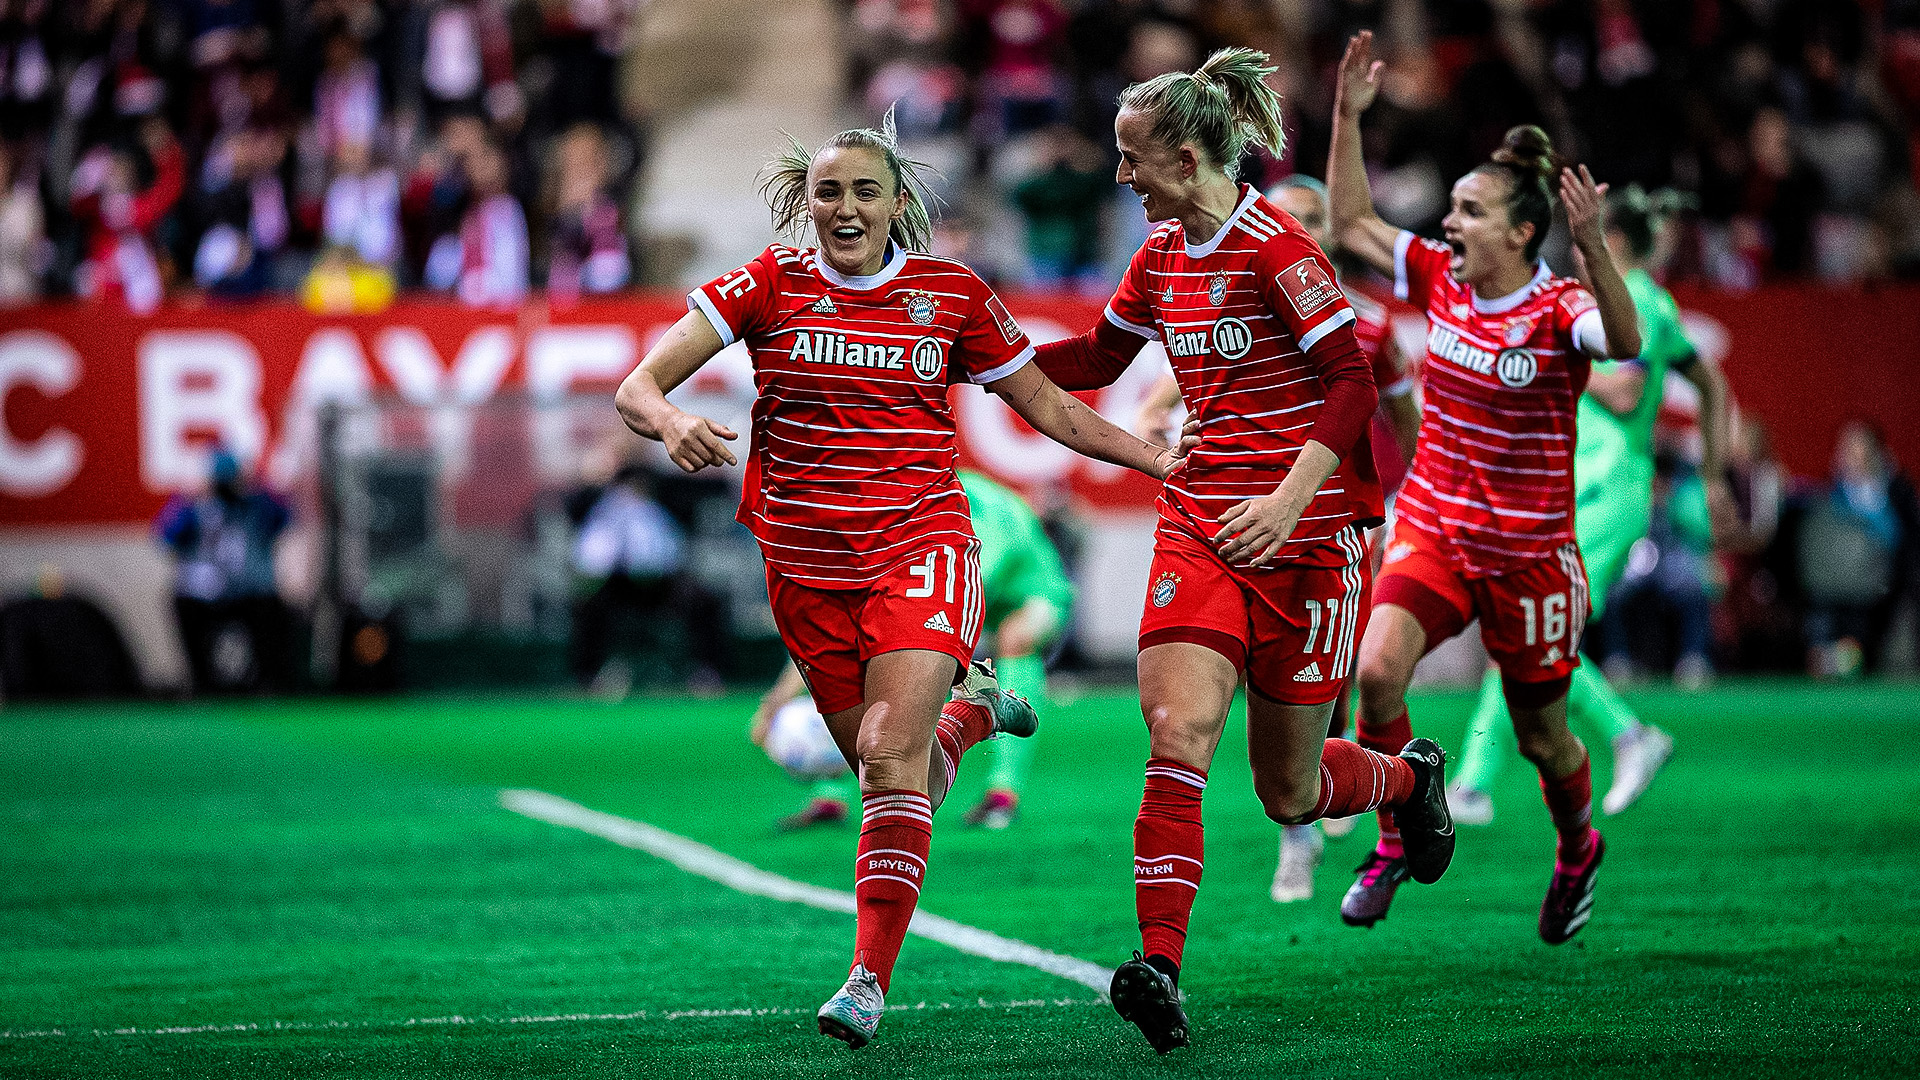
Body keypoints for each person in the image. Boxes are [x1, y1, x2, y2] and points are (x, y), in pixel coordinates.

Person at [613, 110, 1178, 1050]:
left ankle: (866, 981)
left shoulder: (950, 293)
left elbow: (1049, 407)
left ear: (896, 203)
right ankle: (972, 712)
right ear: (806, 202)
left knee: (883, 753)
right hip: (801, 567)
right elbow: (638, 386)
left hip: (920, 546)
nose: (844, 207)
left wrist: (1157, 460)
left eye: (864, 190)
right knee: (897, 769)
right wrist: (669, 423)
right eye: (827, 191)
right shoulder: (765, 285)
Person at [1030, 48, 1455, 1054]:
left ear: (1185, 157)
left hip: (1309, 538)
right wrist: (977, 352)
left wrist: (1290, 495)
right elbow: (1097, 356)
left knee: (1290, 791)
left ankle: (1407, 782)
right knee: (1177, 733)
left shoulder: (1278, 250)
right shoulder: (1163, 254)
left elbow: (1351, 386)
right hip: (1202, 521)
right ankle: (1160, 968)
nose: (1122, 178)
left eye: (1135, 160)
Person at [1327, 32, 1642, 944]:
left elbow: (1621, 344)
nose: (1448, 224)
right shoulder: (1439, 277)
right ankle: (1397, 836)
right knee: (1378, 671)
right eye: (1452, 209)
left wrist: (1595, 251)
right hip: (1436, 526)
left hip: (1532, 558)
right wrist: (1348, 119)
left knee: (1545, 742)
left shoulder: (1559, 309)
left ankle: (1578, 848)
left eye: (1468, 211)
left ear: (1521, 232)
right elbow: (1351, 223)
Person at [1133, 172, 1422, 906]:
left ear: (1327, 234)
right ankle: (1297, 841)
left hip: (1332, 534)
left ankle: (1370, 800)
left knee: (1327, 703)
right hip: (1234, 528)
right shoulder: (1234, 293)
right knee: (1198, 726)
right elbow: (1154, 407)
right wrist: (1171, 435)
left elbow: (1399, 418)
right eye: (1281, 216)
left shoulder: (1370, 323)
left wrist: (1404, 505)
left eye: (1309, 218)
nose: (1291, 229)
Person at [1446, 184, 1732, 824]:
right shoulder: (1628, 303)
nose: (1575, 252)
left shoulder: (1635, 301)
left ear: (1614, 240)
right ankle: (1486, 779)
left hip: (1606, 494)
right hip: (1577, 492)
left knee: (1536, 636)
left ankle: (1485, 776)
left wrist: (1545, 353)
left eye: (1584, 238)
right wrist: (1711, 470)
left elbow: (1627, 391)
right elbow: (1708, 382)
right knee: (1533, 635)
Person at [750, 469, 1076, 832]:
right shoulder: (887, 509)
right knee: (863, 642)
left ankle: (1002, 792)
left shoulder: (969, 504)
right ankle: (831, 797)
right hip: (950, 589)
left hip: (1033, 592)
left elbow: (975, 581)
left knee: (1015, 638)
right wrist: (776, 699)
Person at [154, 448, 296, 694]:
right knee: (181, 605)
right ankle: (201, 680)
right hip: (205, 596)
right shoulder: (196, 507)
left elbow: (285, 519)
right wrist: (188, 499)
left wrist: (258, 488)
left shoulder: (256, 506)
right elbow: (166, 538)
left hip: (250, 594)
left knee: (273, 610)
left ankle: (269, 680)